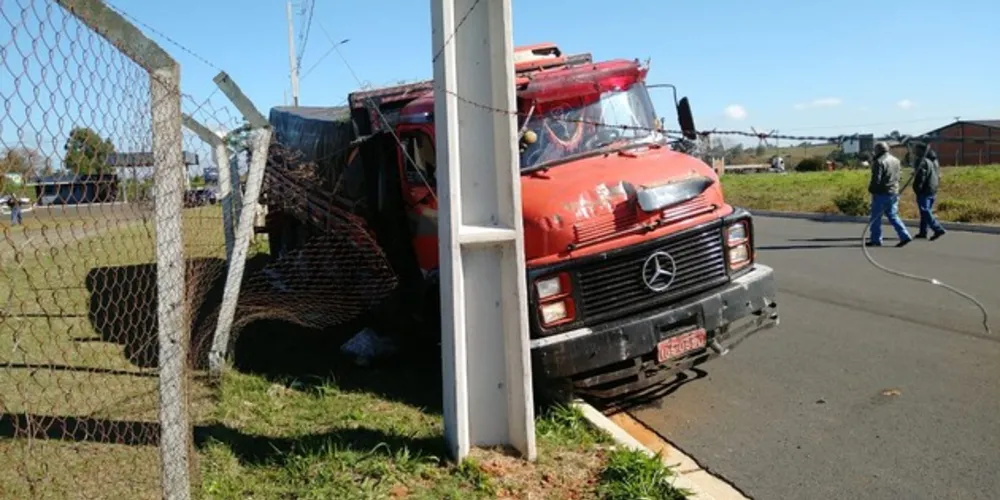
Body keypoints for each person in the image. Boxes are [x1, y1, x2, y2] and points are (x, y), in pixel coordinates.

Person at [867, 141, 912, 247]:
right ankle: (904, 235)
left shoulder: (879, 162)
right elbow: (899, 176)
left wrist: (872, 189)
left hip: (881, 192)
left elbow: (876, 179)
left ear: (878, 150)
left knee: (875, 217)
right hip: (894, 192)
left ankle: (876, 239)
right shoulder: (896, 160)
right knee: (893, 215)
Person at [911, 143, 946, 240]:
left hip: (925, 190)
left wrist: (917, 188)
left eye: (916, 149)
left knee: (925, 210)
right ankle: (923, 232)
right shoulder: (932, 161)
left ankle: (937, 229)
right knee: (925, 211)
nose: (914, 151)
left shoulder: (921, 161)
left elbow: (921, 176)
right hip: (932, 189)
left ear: (921, 150)